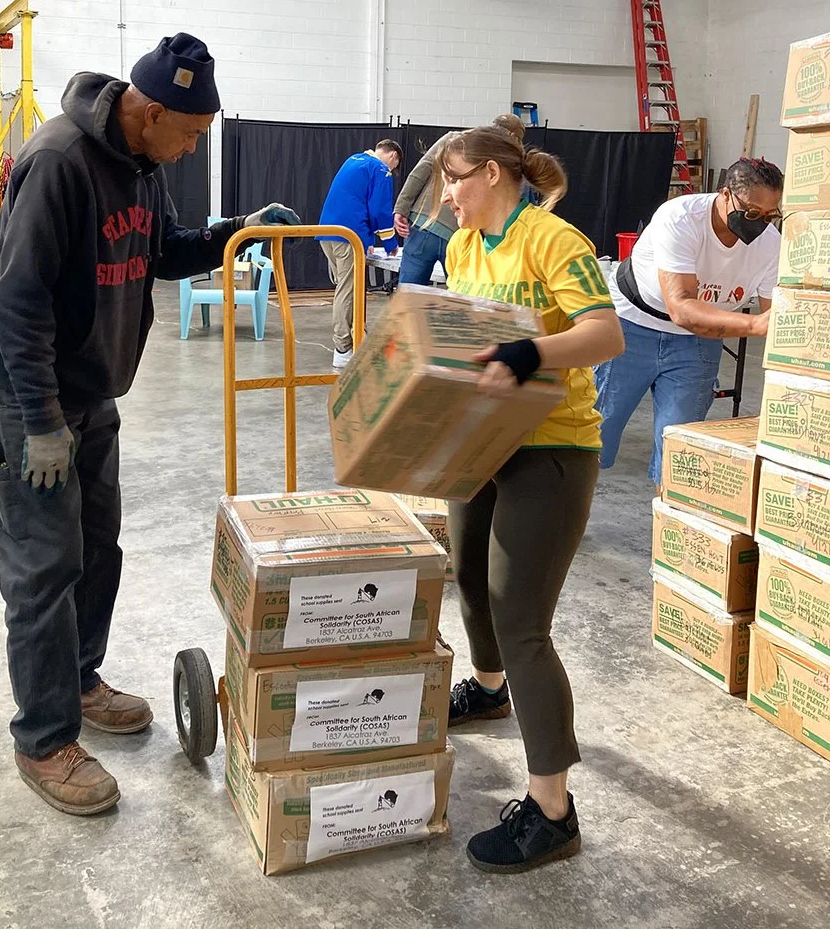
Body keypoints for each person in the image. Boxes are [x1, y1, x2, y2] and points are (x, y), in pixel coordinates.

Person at [0, 32, 298, 816]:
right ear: (150, 111)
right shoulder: (57, 162)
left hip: (90, 392)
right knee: (45, 567)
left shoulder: (144, 168)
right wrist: (42, 421)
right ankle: (43, 739)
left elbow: (162, 251)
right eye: (188, 134)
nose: (190, 149)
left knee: (97, 546)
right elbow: (15, 301)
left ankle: (78, 681)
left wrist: (236, 232)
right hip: (30, 396)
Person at [436, 125, 624, 873]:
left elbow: (604, 334)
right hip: (483, 440)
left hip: (552, 446)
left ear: (488, 173)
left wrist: (532, 351)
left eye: (452, 179)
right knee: (469, 576)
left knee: (523, 623)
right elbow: (460, 336)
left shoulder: (552, 239)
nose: (445, 196)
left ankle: (552, 810)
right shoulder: (461, 249)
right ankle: (487, 692)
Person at [595, 157, 783, 484]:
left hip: (700, 337)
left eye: (770, 216)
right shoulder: (681, 217)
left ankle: (673, 525)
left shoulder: (769, 244)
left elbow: (776, 316)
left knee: (680, 449)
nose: (760, 223)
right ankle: (563, 520)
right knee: (595, 434)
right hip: (632, 325)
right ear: (725, 195)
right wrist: (754, 325)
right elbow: (681, 307)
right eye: (752, 213)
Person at [394, 114, 547, 286]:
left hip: (423, 222)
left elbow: (421, 170)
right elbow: (520, 206)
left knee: (408, 297)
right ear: (514, 137)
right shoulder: (509, 159)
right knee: (463, 297)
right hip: (462, 233)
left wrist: (401, 208)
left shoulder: (453, 139)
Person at [317, 139, 402, 368]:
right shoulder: (381, 169)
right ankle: (343, 348)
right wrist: (390, 241)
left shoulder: (354, 160)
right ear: (393, 156)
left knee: (348, 288)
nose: (392, 172)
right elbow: (379, 210)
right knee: (348, 290)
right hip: (347, 236)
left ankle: (357, 339)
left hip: (328, 232)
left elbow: (353, 201)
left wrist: (365, 240)